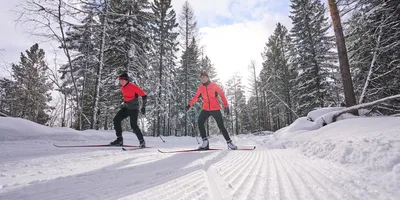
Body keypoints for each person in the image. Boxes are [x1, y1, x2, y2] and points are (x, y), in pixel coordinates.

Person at [186, 72, 237, 150]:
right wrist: (189, 105)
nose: (203, 79)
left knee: (221, 125)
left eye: (205, 77)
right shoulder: (200, 88)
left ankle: (229, 142)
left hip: (215, 108)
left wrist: (226, 106)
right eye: (202, 77)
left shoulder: (214, 86)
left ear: (208, 78)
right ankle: (205, 142)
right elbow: (196, 97)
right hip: (205, 109)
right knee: (200, 122)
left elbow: (222, 95)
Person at [110, 72, 147, 148]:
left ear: (126, 80)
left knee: (133, 125)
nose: (121, 81)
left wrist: (143, 107)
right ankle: (119, 139)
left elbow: (144, 95)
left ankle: (142, 142)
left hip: (134, 109)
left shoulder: (133, 86)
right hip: (126, 108)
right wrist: (124, 104)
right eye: (120, 80)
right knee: (116, 119)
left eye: (122, 80)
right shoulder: (122, 87)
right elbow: (127, 97)